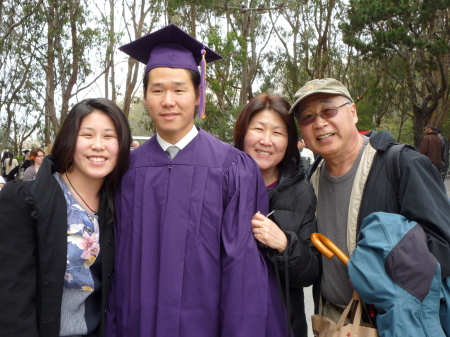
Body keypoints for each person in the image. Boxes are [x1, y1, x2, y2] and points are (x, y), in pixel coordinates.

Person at [106, 24, 287, 337]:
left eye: (179, 89)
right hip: (138, 323)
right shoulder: (126, 170)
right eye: (157, 90)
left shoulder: (232, 168)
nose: (168, 100)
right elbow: (115, 264)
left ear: (198, 94)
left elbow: (243, 271)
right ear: (145, 97)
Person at [288, 78, 450, 321]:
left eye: (328, 110)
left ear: (352, 112)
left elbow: (443, 249)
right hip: (332, 321)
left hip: (392, 324)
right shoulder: (312, 178)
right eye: (308, 117)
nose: (319, 123)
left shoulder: (403, 165)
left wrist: (377, 274)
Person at [0, 98, 132, 337]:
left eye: (109, 136)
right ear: (69, 140)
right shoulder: (24, 200)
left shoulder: (120, 204)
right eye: (88, 135)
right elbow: (10, 299)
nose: (98, 146)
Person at [234, 93, 320, 337]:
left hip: (282, 323)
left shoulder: (301, 191)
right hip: (226, 316)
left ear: (290, 141)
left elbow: (311, 272)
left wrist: (285, 244)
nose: (266, 141)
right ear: (243, 132)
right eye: (258, 129)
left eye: (278, 133)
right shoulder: (219, 180)